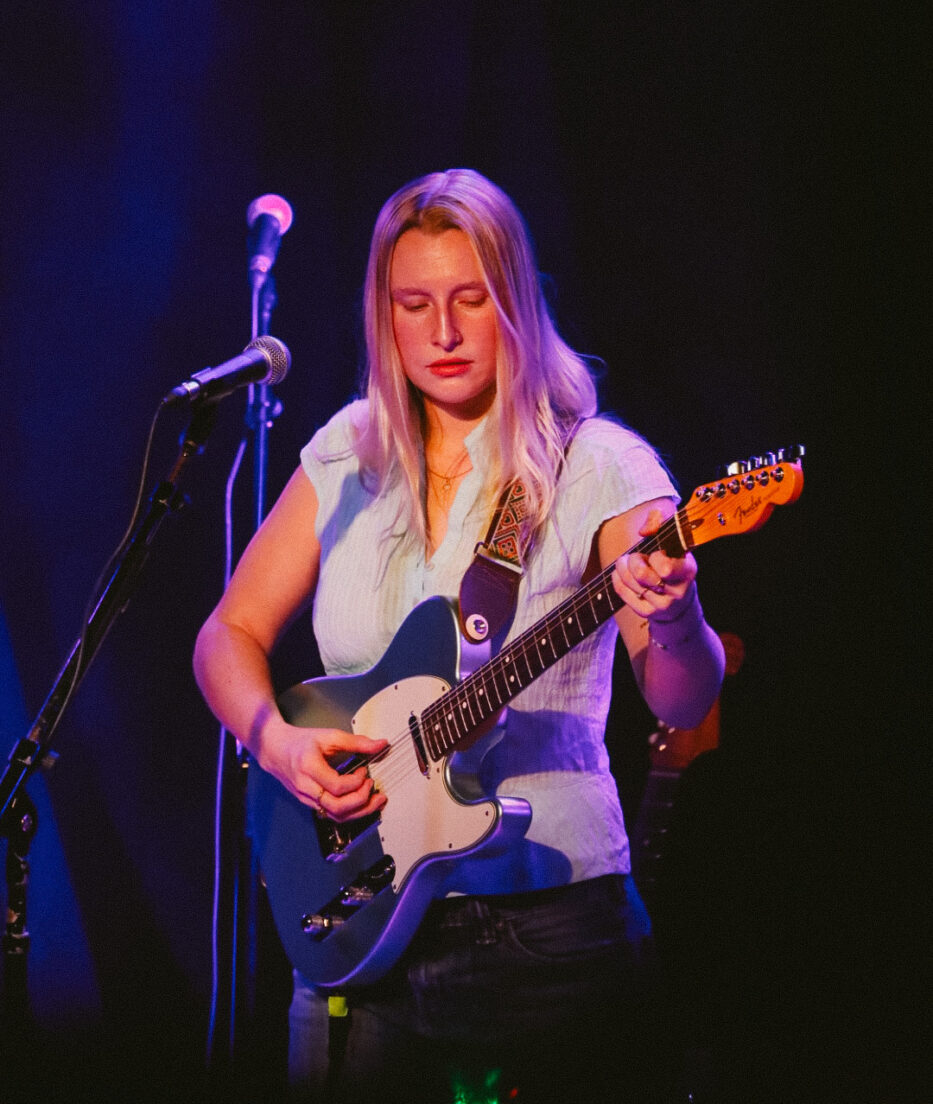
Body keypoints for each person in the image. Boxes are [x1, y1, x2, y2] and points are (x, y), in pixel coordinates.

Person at [193, 168, 725, 1103]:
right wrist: (274, 743)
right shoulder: (345, 453)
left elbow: (682, 698)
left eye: (470, 300)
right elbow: (228, 631)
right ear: (383, 316)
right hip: (358, 928)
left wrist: (674, 611)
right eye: (413, 304)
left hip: (551, 929)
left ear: (516, 302)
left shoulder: (598, 464)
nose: (440, 332)